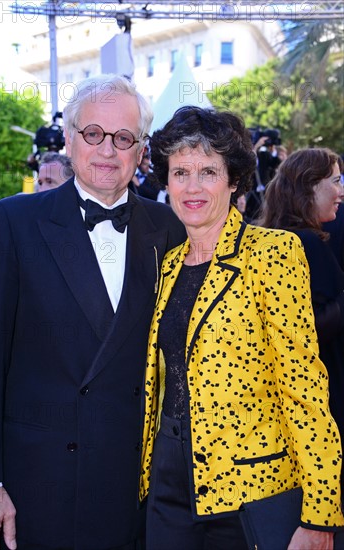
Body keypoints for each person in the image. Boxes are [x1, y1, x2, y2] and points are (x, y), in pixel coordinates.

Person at [0, 74, 186, 550]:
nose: (107, 150)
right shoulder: (14, 222)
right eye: (93, 133)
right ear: (69, 139)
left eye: (123, 138)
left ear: (141, 150)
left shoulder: (171, 227)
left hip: (137, 493)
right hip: (38, 488)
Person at [138, 107, 344, 550]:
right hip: (167, 485)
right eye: (180, 172)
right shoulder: (168, 265)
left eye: (208, 171)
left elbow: (304, 385)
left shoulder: (274, 253)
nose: (192, 187)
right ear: (166, 181)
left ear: (234, 182)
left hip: (250, 491)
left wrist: (321, 513)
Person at [258, 147, 344, 497]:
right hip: (321, 397)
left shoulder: (276, 238)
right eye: (336, 181)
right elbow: (311, 326)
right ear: (310, 187)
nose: (341, 191)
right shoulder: (308, 242)